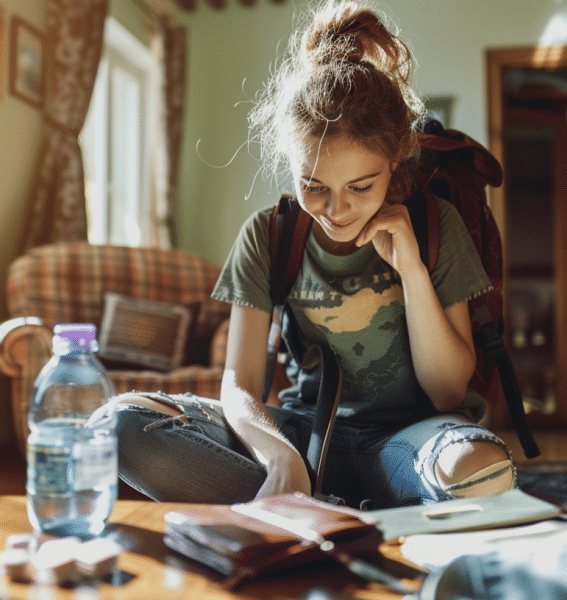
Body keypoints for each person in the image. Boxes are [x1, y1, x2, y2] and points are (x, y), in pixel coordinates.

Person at [92, 0, 514, 509]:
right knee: (120, 424)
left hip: (413, 439)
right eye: (314, 186)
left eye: (361, 186)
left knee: (481, 471)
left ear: (395, 162)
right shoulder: (268, 235)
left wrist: (412, 270)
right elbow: (242, 385)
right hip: (306, 434)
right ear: (289, 162)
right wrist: (278, 456)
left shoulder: (434, 225)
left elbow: (447, 392)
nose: (335, 210)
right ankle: (325, 503)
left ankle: (308, 511)